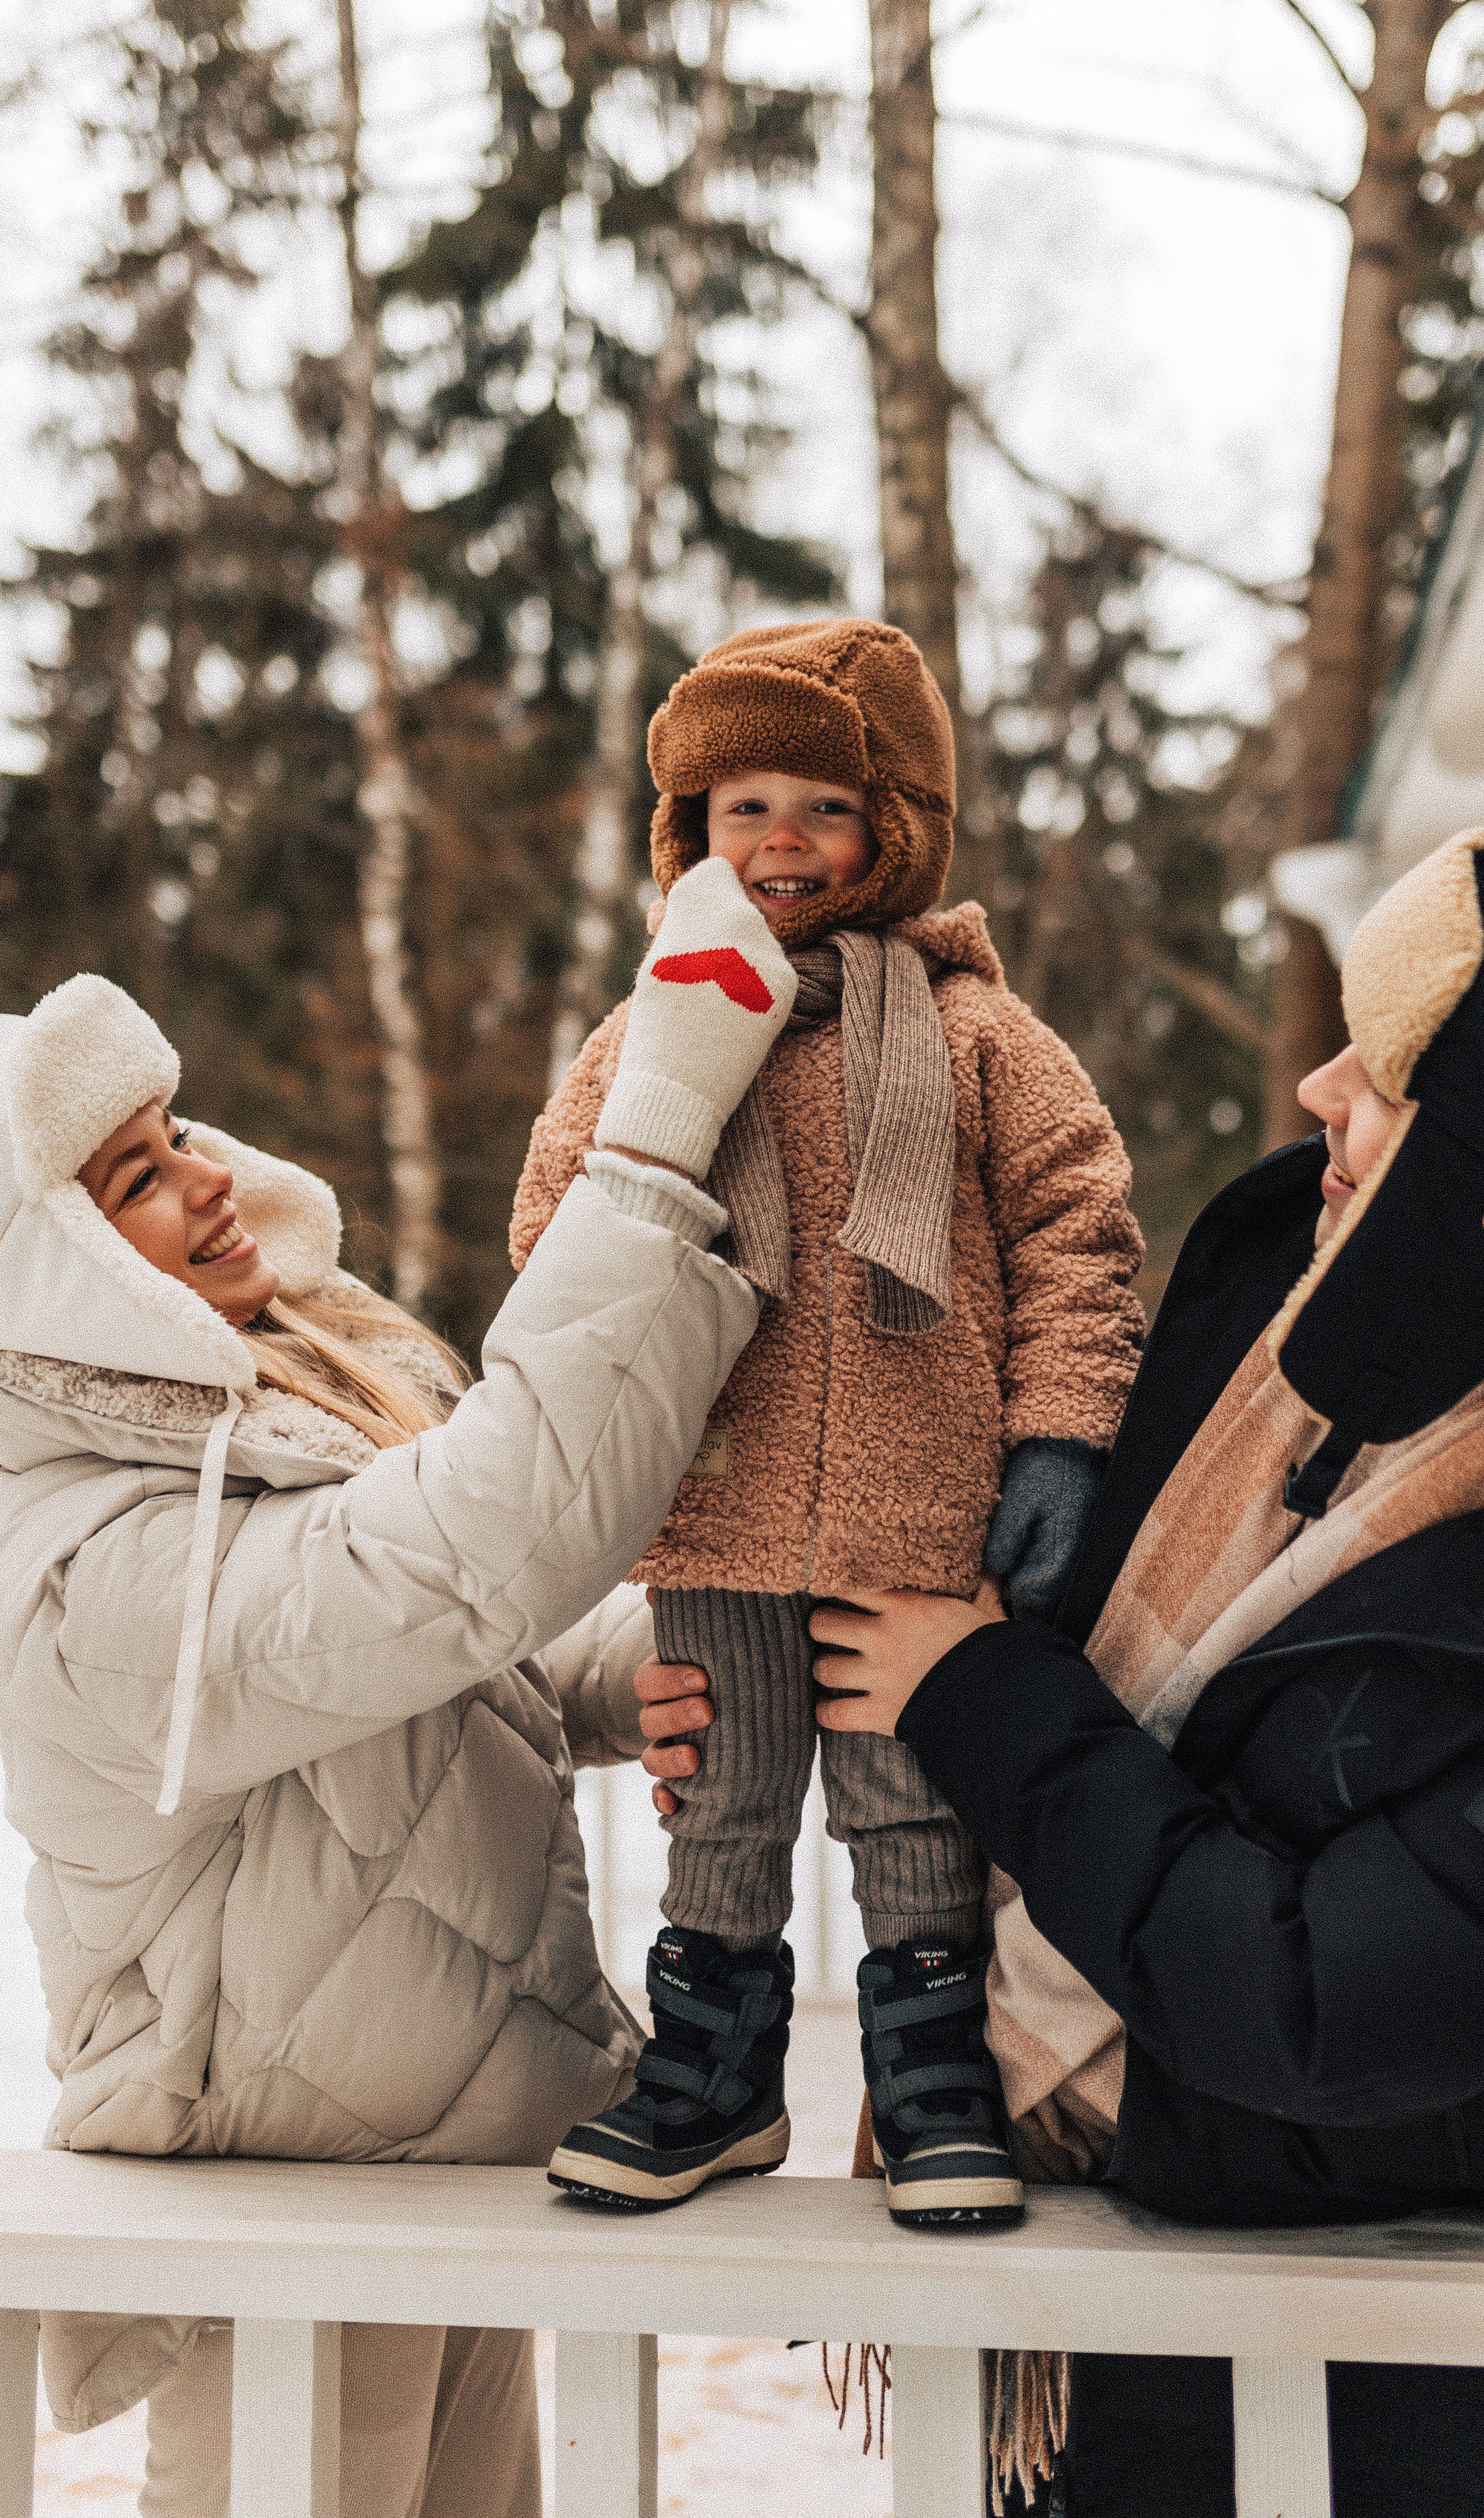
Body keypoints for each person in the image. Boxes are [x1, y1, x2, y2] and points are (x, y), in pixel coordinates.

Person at [747, 825, 1484, 2515]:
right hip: (1085, 2284)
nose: (1315, 1083)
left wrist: (975, 1697)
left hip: (1410, 2393)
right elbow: (1043, 1563)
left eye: (1394, 1076)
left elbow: (1318, 2006)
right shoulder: (1294, 1259)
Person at [0, 856, 793, 2517]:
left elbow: (433, 1660)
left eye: (182, 1136)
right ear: (49, 1268)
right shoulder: (75, 1566)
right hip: (285, 2197)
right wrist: (653, 1137)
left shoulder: (269, 1410)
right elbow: (456, 1557)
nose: (211, 1184)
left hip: (446, 2140)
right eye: (138, 1179)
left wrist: (628, 1675)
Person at [510, 617, 1146, 2227]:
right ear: (689, 837)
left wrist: (1061, 1435)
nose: (781, 842)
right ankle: (710, 2072)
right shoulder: (656, 1027)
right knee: (719, 1790)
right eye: (742, 809)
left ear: (897, 835)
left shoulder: (972, 1033)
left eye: (823, 807)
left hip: (917, 1516)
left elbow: (1078, 1232)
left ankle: (930, 2076)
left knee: (907, 1798)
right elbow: (560, 1230)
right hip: (714, 1503)